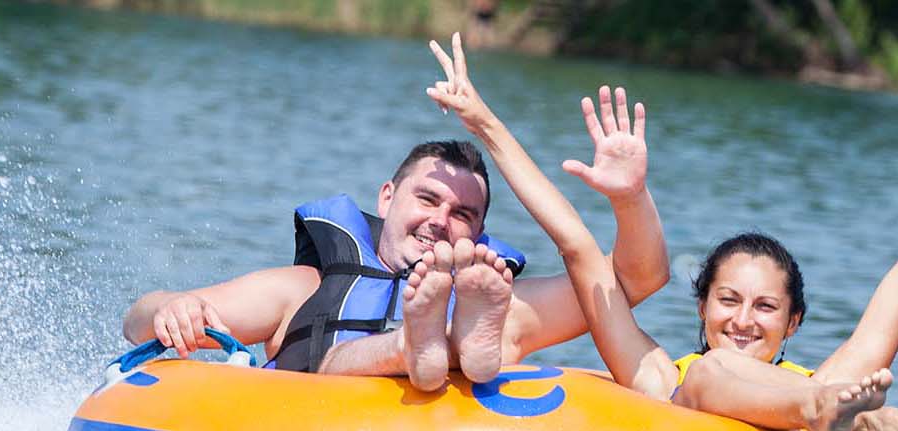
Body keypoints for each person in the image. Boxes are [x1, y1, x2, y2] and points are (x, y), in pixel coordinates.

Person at [423, 34, 898, 431]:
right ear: (704, 306)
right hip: (814, 407)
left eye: (766, 307)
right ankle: (864, 430)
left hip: (825, 403)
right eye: (730, 300)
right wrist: (485, 122)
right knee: (714, 376)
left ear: (792, 323)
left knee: (815, 390)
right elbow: (577, 248)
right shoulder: (659, 375)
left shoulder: (831, 376)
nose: (744, 320)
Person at [120, 63, 670, 391]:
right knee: (408, 345)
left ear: (477, 239)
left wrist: (630, 199)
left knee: (486, 322)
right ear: (387, 197)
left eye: (462, 216)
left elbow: (630, 284)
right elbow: (137, 321)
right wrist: (171, 306)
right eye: (427, 199)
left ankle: (443, 345)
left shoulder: (495, 298)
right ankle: (415, 346)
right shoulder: (303, 289)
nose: (439, 221)